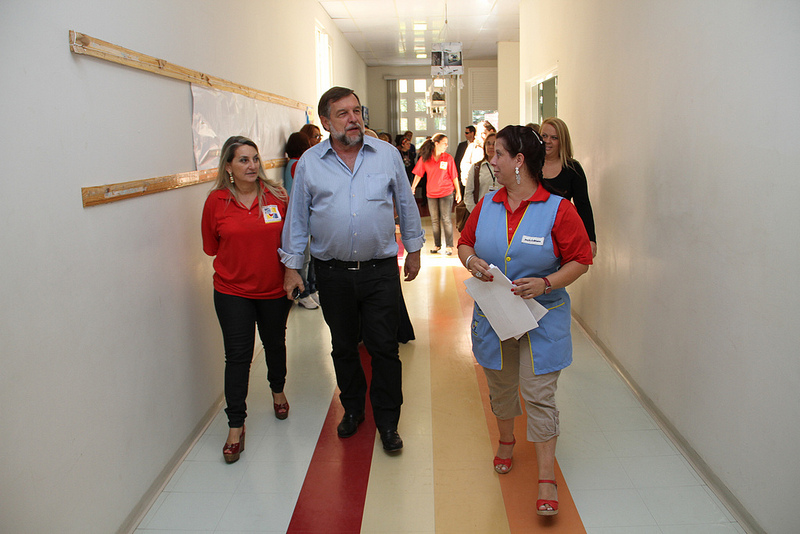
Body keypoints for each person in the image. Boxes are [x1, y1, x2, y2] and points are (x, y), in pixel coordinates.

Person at [280, 87, 424, 452]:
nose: (353, 118)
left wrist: (414, 249)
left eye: (357, 111)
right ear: (326, 122)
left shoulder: (387, 155)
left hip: (380, 271)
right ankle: (354, 410)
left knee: (384, 349)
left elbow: (406, 204)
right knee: (343, 347)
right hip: (333, 273)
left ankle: (388, 422)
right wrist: (293, 267)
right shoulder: (310, 163)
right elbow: (297, 218)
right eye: (342, 113)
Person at [457, 125, 592, 515]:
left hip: (542, 318)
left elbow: (582, 260)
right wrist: (472, 261)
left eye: (497, 154)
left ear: (518, 162)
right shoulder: (487, 205)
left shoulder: (559, 209)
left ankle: (546, 474)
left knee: (538, 393)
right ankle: (506, 440)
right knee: (500, 385)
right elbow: (464, 242)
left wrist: (547, 282)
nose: (491, 161)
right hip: (497, 314)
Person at [201, 135, 293, 464]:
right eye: (243, 160)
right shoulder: (216, 202)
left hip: (273, 289)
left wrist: (291, 274)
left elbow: (291, 240)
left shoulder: (277, 196)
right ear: (228, 166)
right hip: (231, 291)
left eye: (255, 158)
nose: (252, 165)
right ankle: (235, 426)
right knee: (238, 357)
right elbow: (210, 247)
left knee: (274, 343)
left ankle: (277, 390)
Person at [540, 117, 597, 257]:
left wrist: (590, 239)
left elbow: (583, 205)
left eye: (554, 137)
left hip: (561, 235)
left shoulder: (573, 169)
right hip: (532, 232)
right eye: (544, 136)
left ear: (562, 141)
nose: (548, 141)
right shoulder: (529, 166)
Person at [284, 131, 319, 309]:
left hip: (308, 220)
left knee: (311, 258)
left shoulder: (296, 162)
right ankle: (304, 293)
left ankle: (312, 289)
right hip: (302, 220)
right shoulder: (297, 164)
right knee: (305, 259)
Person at [411, 134, 461, 255]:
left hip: (446, 192)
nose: (446, 146)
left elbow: (454, 175)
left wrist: (458, 191)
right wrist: (413, 187)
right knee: (435, 220)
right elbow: (418, 173)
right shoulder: (426, 158)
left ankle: (449, 246)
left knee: (446, 219)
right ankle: (437, 245)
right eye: (444, 143)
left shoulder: (448, 158)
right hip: (431, 193)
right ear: (436, 143)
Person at [464, 132, 497, 214]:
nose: (491, 147)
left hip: (501, 212)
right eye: (488, 144)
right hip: (481, 212)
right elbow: (468, 193)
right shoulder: (476, 167)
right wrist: (475, 212)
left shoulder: (506, 167)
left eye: (494, 144)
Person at [454, 125, 476, 194]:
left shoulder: (478, 146)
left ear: (472, 133)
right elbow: (457, 160)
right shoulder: (461, 145)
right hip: (464, 176)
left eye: (467, 133)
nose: (465, 134)